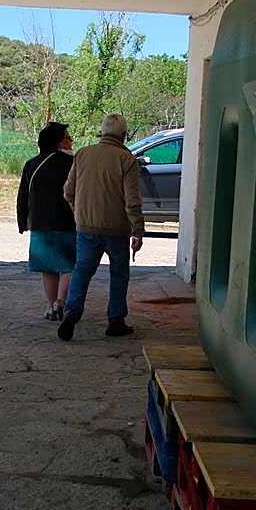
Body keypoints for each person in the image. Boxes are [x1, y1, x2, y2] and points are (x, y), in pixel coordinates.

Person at [57, 113, 145, 340]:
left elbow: (68, 191)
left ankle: (72, 310)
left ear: (102, 133)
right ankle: (115, 320)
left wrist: (79, 213)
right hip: (117, 230)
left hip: (86, 228)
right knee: (118, 273)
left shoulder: (83, 154)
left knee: (82, 270)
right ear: (124, 135)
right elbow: (132, 200)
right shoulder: (127, 160)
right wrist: (138, 230)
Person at [17, 121, 76, 320]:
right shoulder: (73, 163)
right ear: (59, 142)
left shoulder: (32, 164)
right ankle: (61, 301)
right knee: (70, 265)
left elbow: (23, 196)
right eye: (68, 137)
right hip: (69, 222)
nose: (71, 141)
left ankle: (51, 306)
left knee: (48, 267)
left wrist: (22, 222)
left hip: (40, 224)